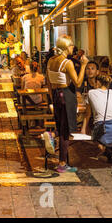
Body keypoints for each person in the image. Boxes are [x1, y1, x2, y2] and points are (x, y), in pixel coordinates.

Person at [44, 35, 88, 173]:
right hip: (66, 95)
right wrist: (84, 65)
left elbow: (49, 82)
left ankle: (52, 135)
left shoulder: (50, 61)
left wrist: (51, 98)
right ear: (65, 47)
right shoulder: (67, 63)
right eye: (70, 45)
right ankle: (62, 163)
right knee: (66, 131)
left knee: (61, 126)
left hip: (57, 95)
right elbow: (78, 83)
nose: (72, 48)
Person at [86, 74, 112, 168]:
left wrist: (83, 129)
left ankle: (104, 151)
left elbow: (87, 114)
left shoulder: (91, 93)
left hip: (102, 126)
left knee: (96, 134)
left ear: (97, 82)